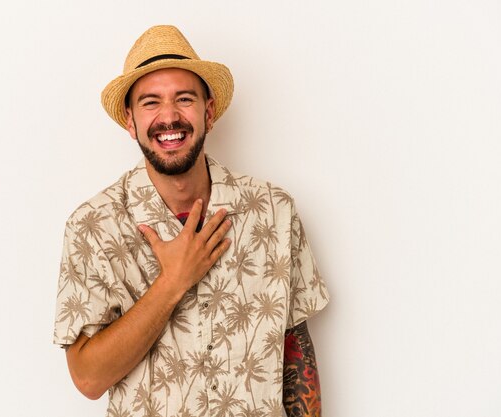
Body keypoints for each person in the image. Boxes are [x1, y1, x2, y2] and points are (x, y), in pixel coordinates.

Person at [53, 25, 330, 417]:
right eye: (151, 102)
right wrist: (172, 282)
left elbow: (295, 348)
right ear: (130, 121)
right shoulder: (93, 227)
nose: (169, 117)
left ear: (209, 112)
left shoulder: (273, 211)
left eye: (184, 99)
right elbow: (88, 379)